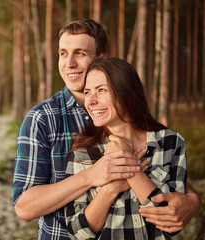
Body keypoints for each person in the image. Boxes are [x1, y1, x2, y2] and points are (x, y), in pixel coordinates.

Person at [12, 18, 200, 240]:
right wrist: (97, 175)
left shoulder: (129, 117)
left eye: (80, 53)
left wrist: (193, 201)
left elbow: (167, 173)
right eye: (63, 53)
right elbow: (24, 208)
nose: (69, 63)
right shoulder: (42, 119)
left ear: (101, 59)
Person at [64, 57, 187, 239]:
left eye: (102, 90)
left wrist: (128, 165)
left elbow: (171, 223)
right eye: (88, 92)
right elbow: (78, 232)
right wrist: (111, 188)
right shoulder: (83, 151)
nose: (91, 101)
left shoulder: (170, 142)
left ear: (126, 92)